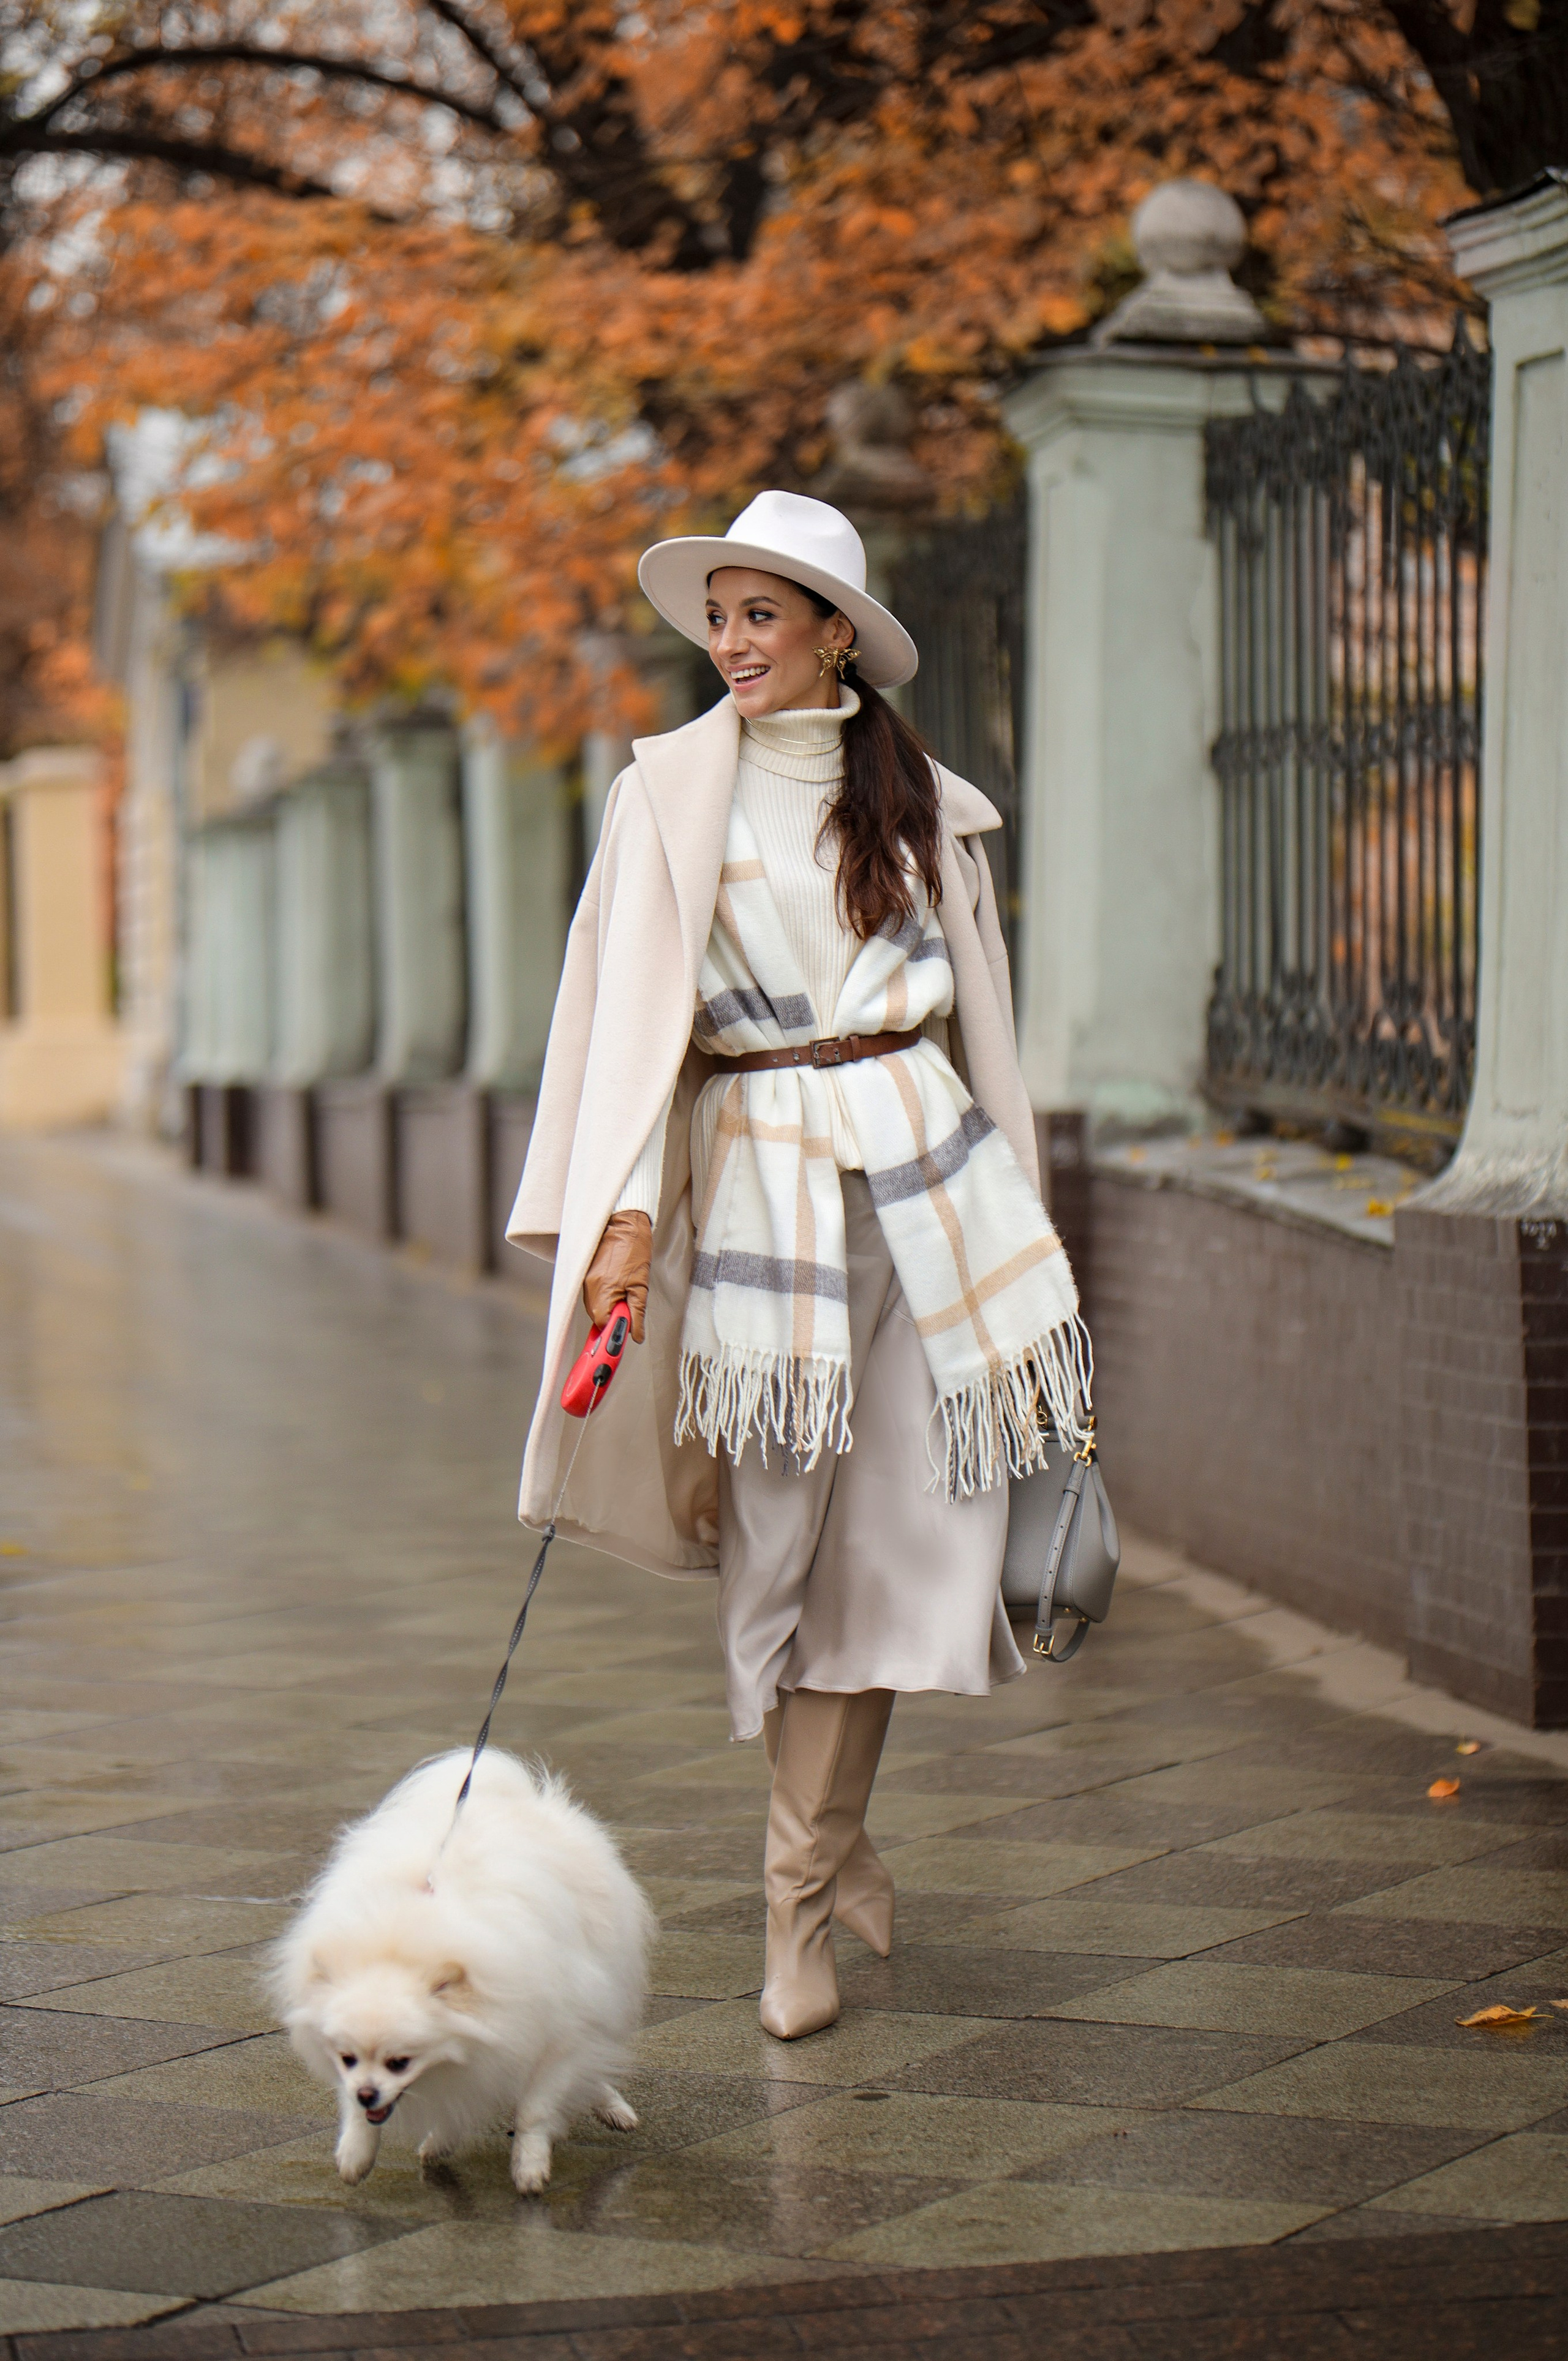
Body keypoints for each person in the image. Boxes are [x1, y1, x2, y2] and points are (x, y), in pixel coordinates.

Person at [507, 491, 1088, 2041]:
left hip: (931, 1204)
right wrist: (620, 1223)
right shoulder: (664, 800)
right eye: (720, 617)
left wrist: (1026, 1226)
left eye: (762, 615)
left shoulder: (928, 803)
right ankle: (835, 1841)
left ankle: (794, 1904)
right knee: (776, 1566)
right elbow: (633, 1030)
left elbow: (985, 1032)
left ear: (836, 633)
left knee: (889, 1557)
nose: (732, 643)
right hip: (763, 1201)